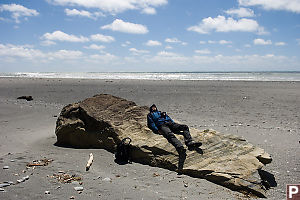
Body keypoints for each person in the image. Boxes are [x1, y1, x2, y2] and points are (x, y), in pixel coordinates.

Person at [147, 104, 201, 169]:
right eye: (152, 107)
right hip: (162, 126)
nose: (154, 108)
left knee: (184, 127)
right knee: (170, 135)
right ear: (151, 108)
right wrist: (157, 130)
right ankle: (179, 147)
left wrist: (173, 124)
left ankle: (189, 142)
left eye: (154, 107)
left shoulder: (161, 113)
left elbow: (169, 118)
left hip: (170, 123)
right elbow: (151, 123)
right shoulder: (150, 115)